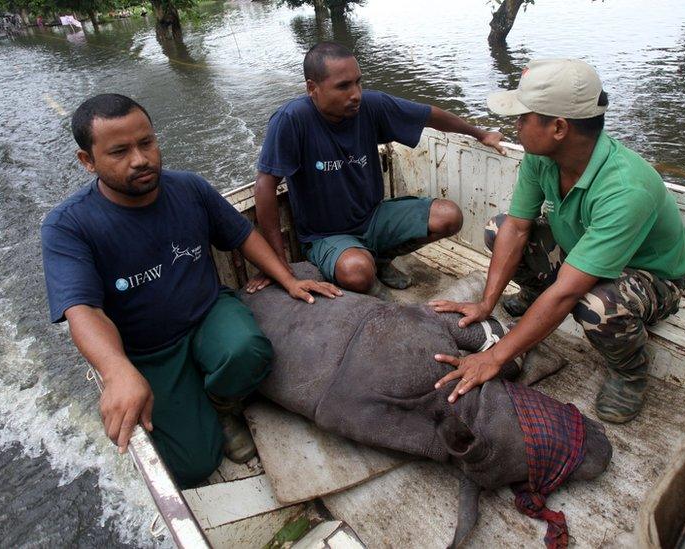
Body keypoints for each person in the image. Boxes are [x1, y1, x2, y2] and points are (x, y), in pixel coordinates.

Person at [41, 94, 341, 488]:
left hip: (207, 314)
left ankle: (222, 404)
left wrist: (288, 278)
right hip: (147, 349)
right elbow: (84, 311)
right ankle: (195, 403)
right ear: (88, 162)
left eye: (146, 142)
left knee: (247, 350)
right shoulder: (68, 226)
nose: (140, 159)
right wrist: (116, 371)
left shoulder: (188, 188)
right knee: (191, 465)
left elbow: (241, 235)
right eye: (119, 151)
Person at [430, 59, 685, 424]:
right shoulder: (543, 158)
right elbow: (518, 228)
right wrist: (486, 303)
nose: (516, 125)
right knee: (499, 227)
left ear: (558, 127)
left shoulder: (626, 188)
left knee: (596, 304)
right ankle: (530, 295)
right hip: (580, 250)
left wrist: (494, 357)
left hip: (651, 276)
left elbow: (568, 292)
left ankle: (630, 374)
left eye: (524, 118)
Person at [248, 41, 506, 295]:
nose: (356, 94)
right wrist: (277, 262)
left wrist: (480, 133)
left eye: (358, 82)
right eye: (343, 86)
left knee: (449, 216)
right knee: (358, 271)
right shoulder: (292, 120)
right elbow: (265, 186)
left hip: (373, 218)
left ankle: (381, 260)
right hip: (325, 235)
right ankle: (367, 270)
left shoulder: (369, 106)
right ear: (312, 88)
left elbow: (429, 114)